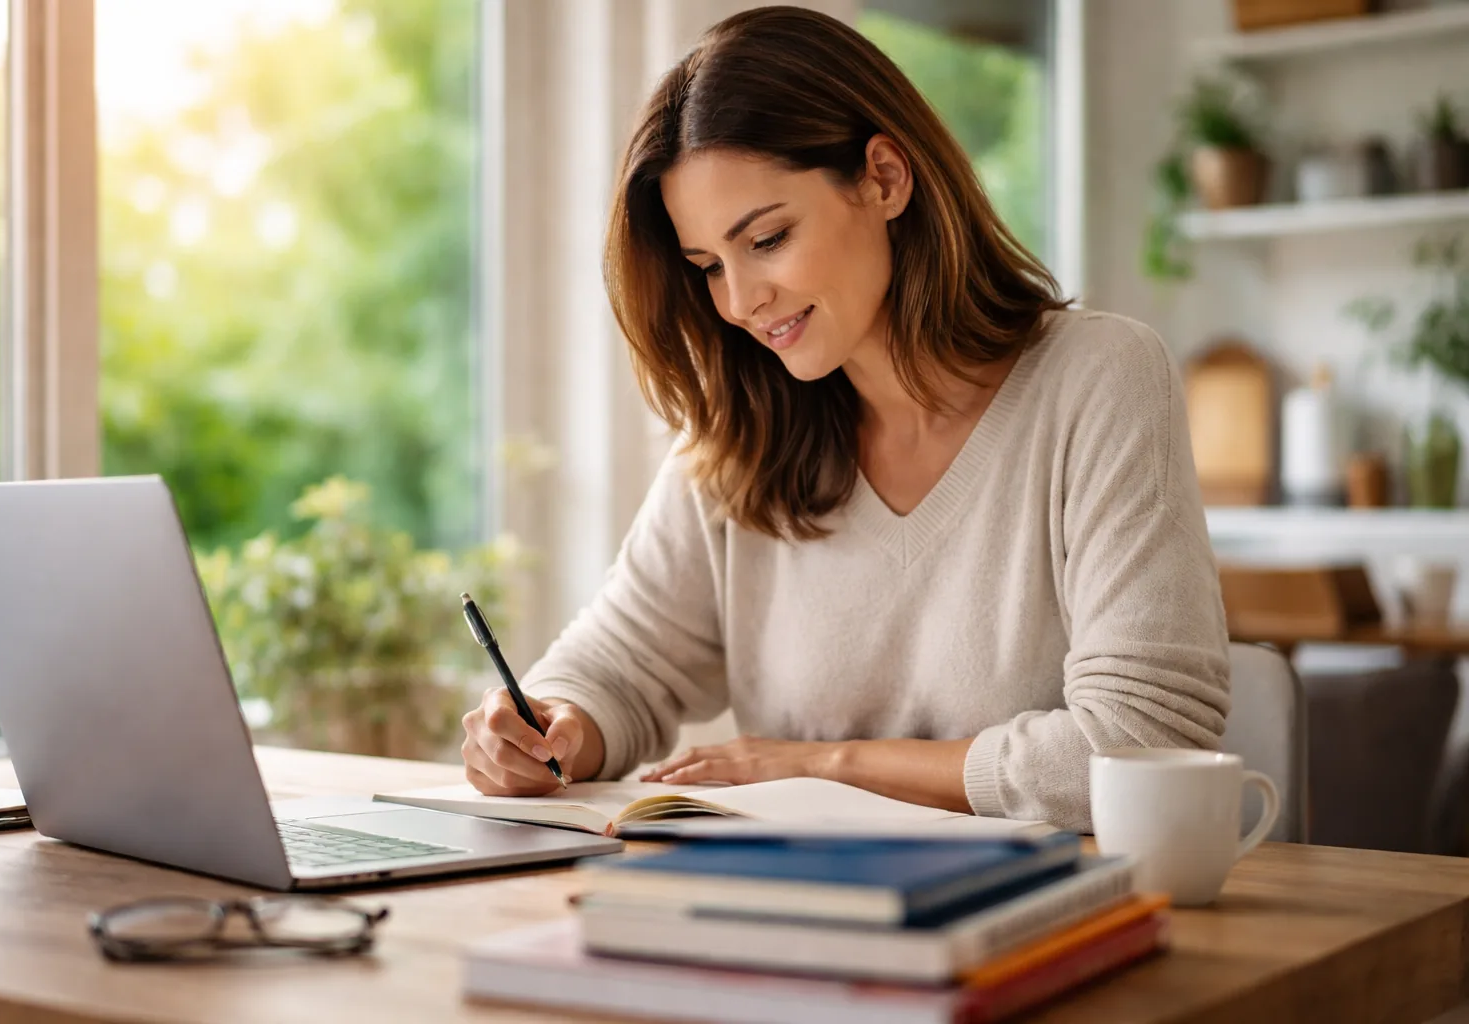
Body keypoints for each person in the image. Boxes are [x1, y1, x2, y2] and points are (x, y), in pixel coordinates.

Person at [460, 6, 1229, 831]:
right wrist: (555, 725)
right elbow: (620, 663)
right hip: (800, 920)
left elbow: (1140, 744)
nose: (741, 301)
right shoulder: (741, 434)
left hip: (1044, 924)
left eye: (767, 239)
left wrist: (824, 768)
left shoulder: (1098, 381)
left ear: (885, 178)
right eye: (707, 266)